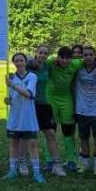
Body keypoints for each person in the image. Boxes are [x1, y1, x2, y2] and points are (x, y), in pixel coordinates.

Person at [3, 53, 44, 182]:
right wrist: (7, 100)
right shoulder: (11, 77)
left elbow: (28, 94)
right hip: (15, 116)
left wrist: (12, 85)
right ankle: (12, 171)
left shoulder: (32, 76)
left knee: (32, 144)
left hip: (28, 116)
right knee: (14, 144)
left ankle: (37, 173)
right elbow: (12, 97)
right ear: (14, 63)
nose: (19, 63)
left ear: (25, 62)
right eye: (16, 61)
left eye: (21, 60)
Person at [27, 45, 65, 176]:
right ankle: (24, 164)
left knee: (50, 134)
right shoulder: (29, 65)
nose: (43, 55)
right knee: (30, 137)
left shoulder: (47, 66)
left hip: (44, 105)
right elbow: (19, 60)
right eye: (40, 53)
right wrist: (30, 59)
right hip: (30, 105)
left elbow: (62, 60)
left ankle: (56, 164)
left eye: (45, 53)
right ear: (35, 53)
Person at [45, 46, 84, 171]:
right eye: (62, 57)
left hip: (66, 99)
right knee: (50, 131)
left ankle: (71, 160)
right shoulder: (51, 61)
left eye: (68, 58)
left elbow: (92, 60)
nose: (64, 60)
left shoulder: (75, 64)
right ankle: (49, 160)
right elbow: (39, 60)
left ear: (71, 59)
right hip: (51, 98)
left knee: (68, 130)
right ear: (58, 57)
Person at [75, 46, 96, 175]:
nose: (88, 57)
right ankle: (84, 164)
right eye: (85, 55)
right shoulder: (78, 69)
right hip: (82, 110)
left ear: (95, 55)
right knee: (83, 138)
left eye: (91, 54)